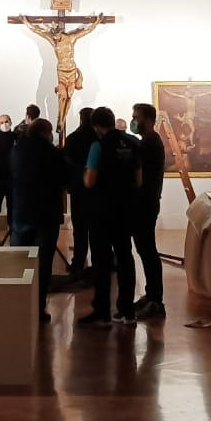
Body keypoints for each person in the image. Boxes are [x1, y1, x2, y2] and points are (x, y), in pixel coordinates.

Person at [78, 106, 141, 326]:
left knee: (102, 261)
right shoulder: (133, 144)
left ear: (96, 126)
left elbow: (89, 181)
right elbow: (139, 180)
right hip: (126, 209)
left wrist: (85, 173)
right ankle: (128, 311)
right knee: (125, 257)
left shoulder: (98, 145)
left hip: (102, 210)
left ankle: (102, 312)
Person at [10, 117, 66, 322]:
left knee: (19, 261)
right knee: (42, 265)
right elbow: (64, 179)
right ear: (45, 133)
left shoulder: (16, 150)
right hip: (46, 215)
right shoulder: (52, 153)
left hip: (21, 212)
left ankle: (18, 306)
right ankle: (37, 308)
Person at [129, 102, 167, 319]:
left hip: (146, 202)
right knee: (145, 250)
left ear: (149, 120)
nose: (134, 121)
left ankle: (155, 300)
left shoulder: (149, 143)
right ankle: (151, 295)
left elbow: (140, 176)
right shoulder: (149, 142)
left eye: (137, 117)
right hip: (147, 201)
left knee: (148, 250)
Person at [62, 106, 98, 277]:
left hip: (77, 188)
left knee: (80, 228)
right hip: (97, 189)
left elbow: (66, 163)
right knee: (97, 227)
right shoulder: (98, 138)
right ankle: (99, 263)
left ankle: (78, 263)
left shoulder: (73, 138)